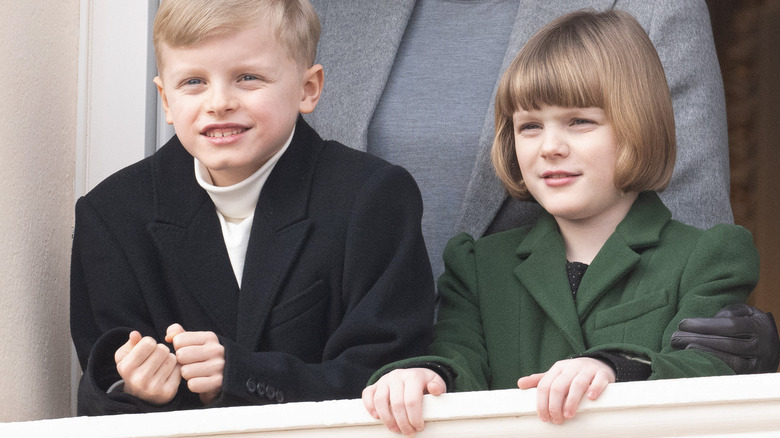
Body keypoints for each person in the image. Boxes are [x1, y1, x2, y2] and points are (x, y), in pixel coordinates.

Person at [307, 0, 778, 376]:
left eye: (579, 122)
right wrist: (426, 375)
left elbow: (705, 368)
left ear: (640, 126)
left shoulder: (711, 253)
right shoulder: (477, 265)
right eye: (529, 127)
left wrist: (618, 369)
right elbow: (460, 360)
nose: (550, 147)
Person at [70, 0, 434, 415]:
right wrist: (131, 387)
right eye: (193, 81)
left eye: (248, 77)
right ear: (165, 100)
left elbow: (389, 374)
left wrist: (241, 373)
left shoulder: (373, 197)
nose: (219, 101)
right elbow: (96, 393)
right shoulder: (111, 215)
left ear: (307, 89)